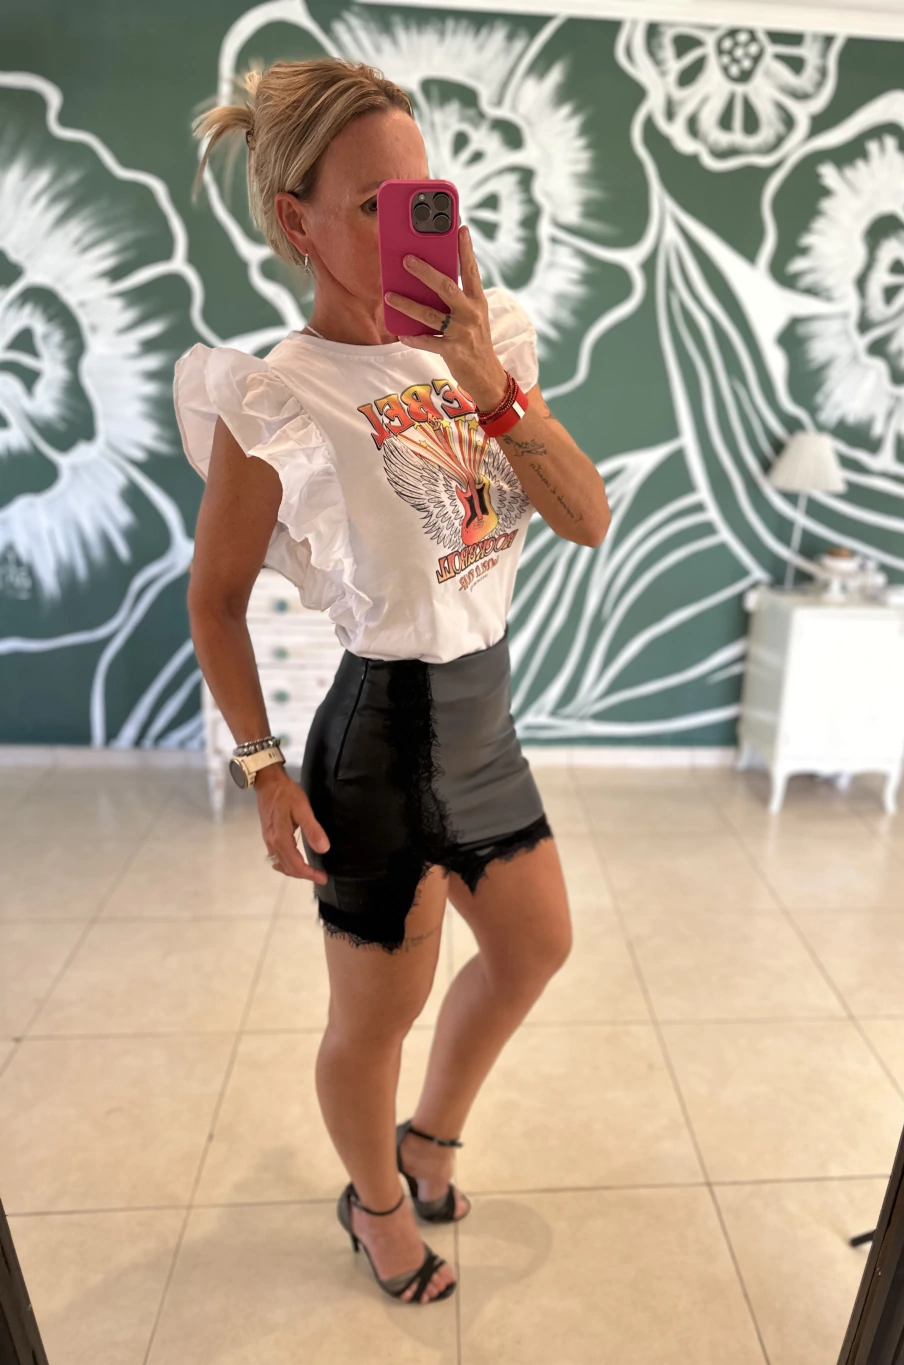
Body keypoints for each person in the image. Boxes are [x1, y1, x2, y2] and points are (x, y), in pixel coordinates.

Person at [173, 57, 610, 1307]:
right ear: (295, 222)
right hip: (379, 746)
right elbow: (214, 599)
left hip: (486, 724)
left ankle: (429, 1140)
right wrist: (263, 770)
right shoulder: (278, 396)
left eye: (424, 194)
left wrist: (487, 385)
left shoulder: (484, 345)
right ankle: (373, 1206)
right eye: (372, 203)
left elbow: (585, 520)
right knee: (375, 1020)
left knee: (534, 948)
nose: (415, 221)